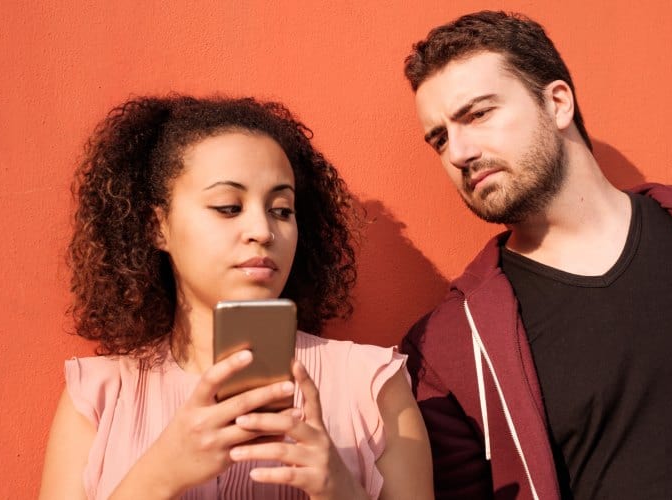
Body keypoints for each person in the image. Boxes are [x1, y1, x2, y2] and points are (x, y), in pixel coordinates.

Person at [400, 10, 672, 500]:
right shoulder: (450, 347)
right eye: (439, 139)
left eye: (477, 114)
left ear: (557, 103)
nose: (458, 152)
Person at [39, 95, 433, 500]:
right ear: (157, 228)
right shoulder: (100, 397)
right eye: (229, 207)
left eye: (282, 210)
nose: (262, 231)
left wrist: (341, 488)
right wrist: (158, 475)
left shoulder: (372, 386)